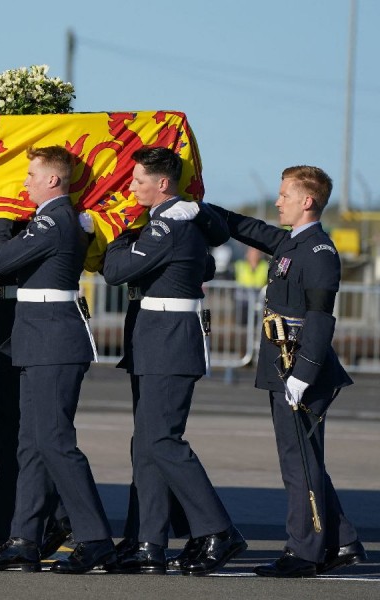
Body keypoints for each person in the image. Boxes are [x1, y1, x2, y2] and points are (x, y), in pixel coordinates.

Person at [204, 166, 366, 577]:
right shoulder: (292, 243)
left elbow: (320, 318)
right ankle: (343, 541)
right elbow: (249, 228)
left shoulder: (318, 252)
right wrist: (201, 208)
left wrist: (304, 374)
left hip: (300, 371)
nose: (278, 202)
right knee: (303, 460)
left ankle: (304, 552)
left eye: (284, 195)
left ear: (307, 201)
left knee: (299, 465)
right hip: (285, 366)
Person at [102, 146, 246, 576]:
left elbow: (114, 271)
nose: (130, 186)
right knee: (146, 444)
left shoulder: (166, 227)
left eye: (138, 180)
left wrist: (123, 233)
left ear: (162, 184)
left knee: (162, 441)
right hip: (156, 338)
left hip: (168, 340)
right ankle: (150, 541)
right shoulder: (174, 222)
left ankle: (218, 529)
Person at [0, 146, 113, 575]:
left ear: (53, 180)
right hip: (37, 341)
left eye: (32, 174)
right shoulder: (48, 219)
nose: (25, 182)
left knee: (54, 442)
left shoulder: (53, 220)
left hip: (53, 342)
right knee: (30, 444)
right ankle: (24, 538)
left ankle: (95, 538)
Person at [0, 221, 73, 559]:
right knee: (1, 434)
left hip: (31, 319)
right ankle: (14, 527)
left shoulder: (42, 220)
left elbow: (4, 261)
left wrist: (5, 222)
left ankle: (40, 521)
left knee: (21, 436)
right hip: (3, 318)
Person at [234, 245, 269, 327]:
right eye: (251, 253)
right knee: (242, 325)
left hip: (259, 298)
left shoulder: (265, 266)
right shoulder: (239, 265)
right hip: (243, 298)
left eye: (256, 253)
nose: (253, 255)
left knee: (258, 324)